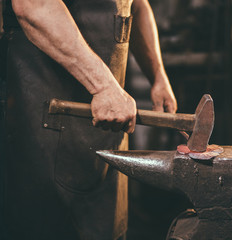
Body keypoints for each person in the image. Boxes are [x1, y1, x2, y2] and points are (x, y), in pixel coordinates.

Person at [1, 0, 177, 239]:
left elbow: (135, 5)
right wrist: (104, 86)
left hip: (104, 137)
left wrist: (157, 74)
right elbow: (34, 6)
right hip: (42, 128)